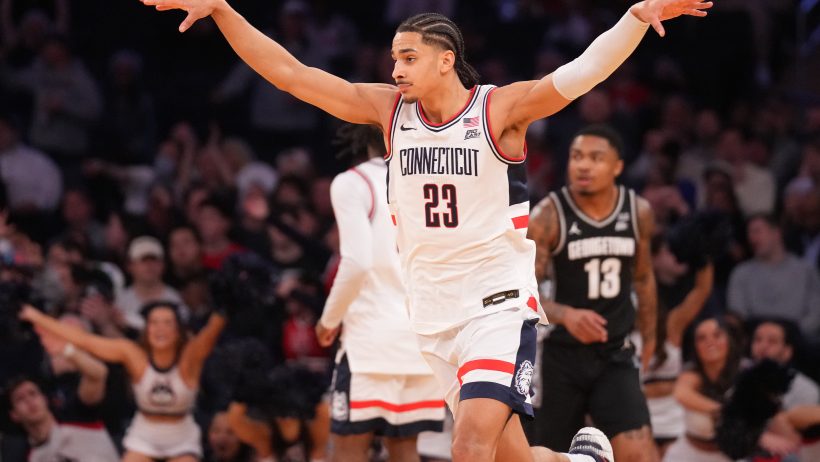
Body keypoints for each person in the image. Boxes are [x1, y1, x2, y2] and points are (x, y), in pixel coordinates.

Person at [141, 1, 712, 460]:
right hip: (433, 313)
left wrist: (634, 18)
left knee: (467, 447)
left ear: (446, 60)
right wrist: (222, 10)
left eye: (408, 58)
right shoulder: (392, 113)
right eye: (394, 58)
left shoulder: (496, 111)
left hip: (498, 302)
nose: (396, 70)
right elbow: (293, 76)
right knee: (509, 456)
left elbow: (580, 74)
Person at [315, 124, 446, 461]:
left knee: (347, 452)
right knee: (405, 452)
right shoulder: (433, 179)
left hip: (371, 343)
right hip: (425, 341)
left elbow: (356, 263)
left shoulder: (353, 182)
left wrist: (329, 319)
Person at [527, 125, 658, 462]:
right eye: (576, 157)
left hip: (614, 352)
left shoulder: (637, 211)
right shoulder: (548, 215)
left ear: (617, 166)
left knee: (639, 451)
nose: (583, 165)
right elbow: (522, 291)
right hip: (560, 355)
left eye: (596, 158)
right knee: (551, 454)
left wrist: (651, 338)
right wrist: (565, 314)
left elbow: (643, 279)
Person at [19, 301, 226, 461]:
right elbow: (86, 340)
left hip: (182, 435)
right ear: (147, 329)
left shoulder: (189, 358)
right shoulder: (133, 355)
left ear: (177, 330)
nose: (160, 329)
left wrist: (225, 309)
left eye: (167, 323)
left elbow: (210, 334)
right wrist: (34, 315)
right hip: (144, 435)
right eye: (154, 323)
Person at [665, 317, 743, 462]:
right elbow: (681, 394)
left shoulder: (743, 375)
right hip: (688, 455)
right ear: (695, 346)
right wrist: (724, 412)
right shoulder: (692, 374)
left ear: (729, 340)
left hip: (730, 456)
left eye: (717, 335)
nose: (710, 342)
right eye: (701, 338)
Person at [5, 376, 120, 462]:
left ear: (45, 399)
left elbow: (97, 374)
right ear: (14, 415)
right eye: (20, 399)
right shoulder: (31, 458)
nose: (29, 401)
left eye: (33, 393)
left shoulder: (80, 418)